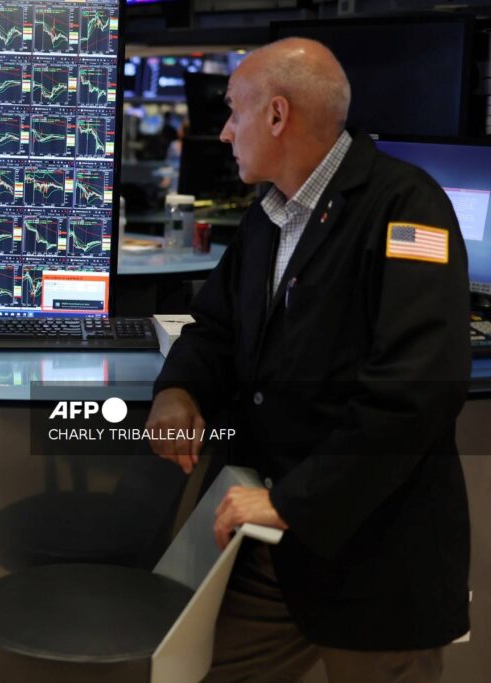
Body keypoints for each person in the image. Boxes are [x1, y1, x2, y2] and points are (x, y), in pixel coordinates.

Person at [147, 38, 471, 682]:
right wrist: (179, 389)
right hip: (274, 554)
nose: (223, 132)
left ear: (277, 115)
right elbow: (215, 326)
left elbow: (416, 392)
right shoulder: (271, 214)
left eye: (234, 112)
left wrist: (294, 502)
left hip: (374, 560)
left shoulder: (407, 208)